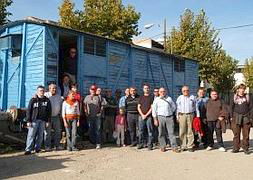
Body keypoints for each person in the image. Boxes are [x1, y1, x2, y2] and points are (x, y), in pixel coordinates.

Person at [24, 86, 52, 155]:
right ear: (37, 91)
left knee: (40, 135)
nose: (41, 92)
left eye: (43, 90)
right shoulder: (33, 100)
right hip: (34, 121)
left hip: (43, 121)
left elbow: (49, 111)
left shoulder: (47, 100)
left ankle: (37, 148)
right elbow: (29, 111)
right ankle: (28, 149)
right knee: (31, 135)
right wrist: (28, 121)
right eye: (40, 90)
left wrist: (48, 121)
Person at [152, 87, 179, 152]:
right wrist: (155, 119)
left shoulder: (169, 98)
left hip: (169, 117)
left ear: (165, 92)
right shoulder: (156, 100)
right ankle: (162, 146)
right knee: (161, 133)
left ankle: (174, 147)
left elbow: (174, 107)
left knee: (171, 133)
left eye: (163, 91)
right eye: (161, 92)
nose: (162, 93)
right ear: (159, 92)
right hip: (160, 117)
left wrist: (170, 113)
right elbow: (154, 110)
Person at [230, 84, 252, 154]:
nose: (242, 90)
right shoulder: (234, 97)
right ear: (238, 89)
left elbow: (251, 108)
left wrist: (251, 117)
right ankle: (236, 147)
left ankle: (245, 148)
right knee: (236, 133)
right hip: (236, 117)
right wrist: (231, 116)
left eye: (243, 89)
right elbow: (231, 107)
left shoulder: (248, 97)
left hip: (246, 117)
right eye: (241, 89)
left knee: (246, 134)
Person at [84, 85, 106, 149]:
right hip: (90, 116)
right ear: (90, 90)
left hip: (97, 116)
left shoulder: (98, 97)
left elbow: (102, 105)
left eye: (94, 90)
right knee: (91, 129)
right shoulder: (87, 97)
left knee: (98, 130)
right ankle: (92, 142)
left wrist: (100, 113)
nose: (92, 91)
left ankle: (98, 143)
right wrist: (86, 112)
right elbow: (84, 105)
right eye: (91, 89)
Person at [44, 83, 64, 151]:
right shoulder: (46, 95)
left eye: (55, 88)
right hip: (48, 117)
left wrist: (61, 115)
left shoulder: (59, 97)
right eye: (52, 88)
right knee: (48, 132)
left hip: (56, 116)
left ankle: (57, 146)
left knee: (58, 132)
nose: (54, 89)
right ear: (49, 89)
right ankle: (47, 146)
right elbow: (38, 96)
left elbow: (61, 106)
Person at [176, 86, 196, 152]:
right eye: (184, 91)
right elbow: (177, 108)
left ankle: (190, 145)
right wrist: (177, 116)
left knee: (190, 130)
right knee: (182, 130)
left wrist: (197, 116)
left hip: (190, 115)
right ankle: (183, 145)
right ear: (182, 91)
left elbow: (196, 107)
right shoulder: (179, 98)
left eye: (187, 90)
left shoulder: (192, 97)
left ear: (189, 91)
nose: (185, 92)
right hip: (182, 115)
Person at [137, 84, 154, 150]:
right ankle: (141, 144)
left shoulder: (151, 97)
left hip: (149, 117)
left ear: (149, 89)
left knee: (150, 131)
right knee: (140, 131)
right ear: (143, 89)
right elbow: (138, 107)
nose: (146, 89)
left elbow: (152, 107)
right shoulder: (141, 97)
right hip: (141, 116)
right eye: (145, 88)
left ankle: (150, 145)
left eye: (147, 88)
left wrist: (146, 115)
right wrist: (142, 115)